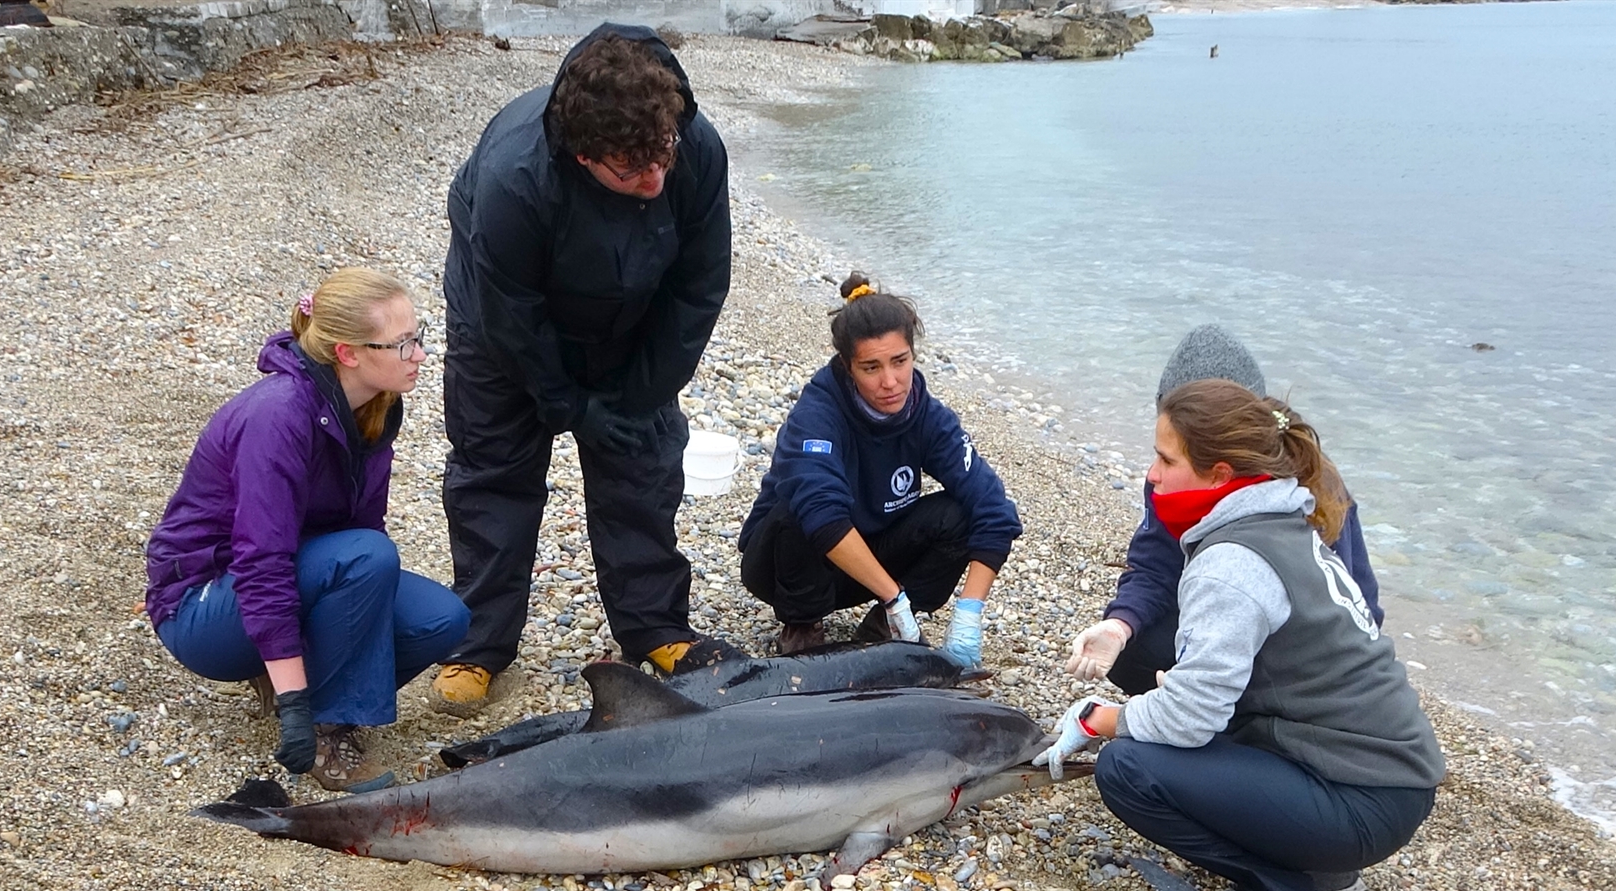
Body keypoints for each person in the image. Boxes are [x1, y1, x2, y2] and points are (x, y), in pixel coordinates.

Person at [1036, 379, 1442, 891]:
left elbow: (1190, 718)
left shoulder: (1231, 563)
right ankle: (1322, 866)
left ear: (1221, 474)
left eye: (1165, 458)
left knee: (1128, 768)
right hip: (1392, 780)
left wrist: (1094, 720)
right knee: (1168, 708)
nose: (1151, 473)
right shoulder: (1285, 522)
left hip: (1364, 799)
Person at [434, 23, 739, 707]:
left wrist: (638, 396)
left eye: (661, 156)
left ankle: (654, 623)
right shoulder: (516, 180)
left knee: (644, 462)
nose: (655, 178)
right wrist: (570, 405)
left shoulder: (693, 148)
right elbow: (510, 315)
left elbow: (698, 289)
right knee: (494, 471)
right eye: (631, 171)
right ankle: (479, 642)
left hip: (634, 312)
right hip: (504, 317)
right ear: (582, 156)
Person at [145, 268, 470, 790]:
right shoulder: (278, 415)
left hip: (287, 575)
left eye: (420, 336)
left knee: (442, 619)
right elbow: (261, 559)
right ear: (348, 354)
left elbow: (357, 527)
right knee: (368, 555)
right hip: (204, 602)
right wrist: (297, 704)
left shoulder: (375, 406)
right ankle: (321, 730)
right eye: (403, 344)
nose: (421, 355)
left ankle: (312, 693)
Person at [1065, 324, 1382, 695]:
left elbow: (1360, 609)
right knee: (1128, 652)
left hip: (1302, 661)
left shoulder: (1312, 488)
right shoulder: (1171, 479)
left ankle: (1247, 728)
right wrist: (1121, 625)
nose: (1156, 473)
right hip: (1222, 617)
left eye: (1170, 458)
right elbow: (1155, 566)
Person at [738, 275, 1022, 663]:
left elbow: (995, 509)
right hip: (785, 567)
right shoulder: (817, 414)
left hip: (870, 562)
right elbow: (822, 513)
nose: (890, 382)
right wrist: (893, 595)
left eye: (899, 362)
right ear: (847, 365)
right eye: (871, 368)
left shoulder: (928, 417)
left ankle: (885, 627)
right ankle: (803, 627)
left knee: (960, 514)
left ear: (912, 355)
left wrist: (969, 612)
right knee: (799, 508)